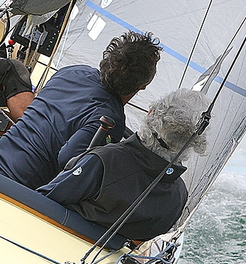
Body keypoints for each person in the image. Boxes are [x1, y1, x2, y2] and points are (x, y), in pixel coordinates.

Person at [0, 32, 162, 189]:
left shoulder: (72, 72)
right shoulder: (110, 119)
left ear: (107, 61)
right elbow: (70, 162)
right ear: (143, 86)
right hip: (19, 187)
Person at [37, 88, 210, 241]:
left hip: (52, 243)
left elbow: (41, 202)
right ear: (195, 142)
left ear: (150, 113)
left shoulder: (105, 161)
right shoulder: (179, 196)